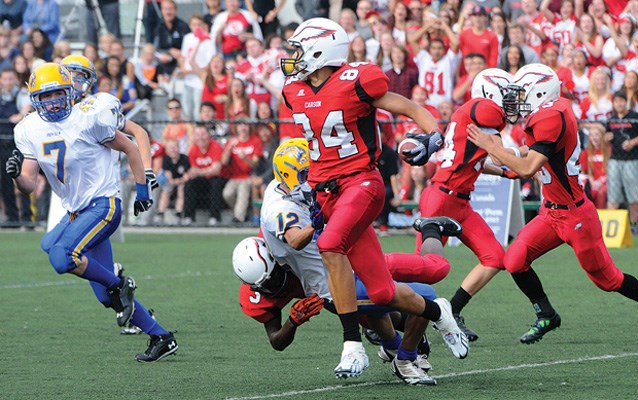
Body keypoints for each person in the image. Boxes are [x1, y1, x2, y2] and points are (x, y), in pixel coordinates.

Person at [280, 18, 464, 379]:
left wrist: (434, 135)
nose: (293, 58)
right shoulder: (294, 90)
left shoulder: (357, 80)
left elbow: (408, 106)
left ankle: (352, 346)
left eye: (299, 50)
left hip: (361, 182)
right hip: (326, 193)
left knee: (330, 244)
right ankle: (440, 312)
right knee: (381, 291)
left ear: (321, 50)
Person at [234, 141, 466, 384]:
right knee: (419, 298)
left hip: (352, 258)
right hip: (336, 283)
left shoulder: (288, 193)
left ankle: (430, 228)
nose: (311, 177)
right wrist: (293, 321)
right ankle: (404, 356)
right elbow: (293, 239)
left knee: (436, 269)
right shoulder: (279, 210)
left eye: (311, 170)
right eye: (305, 173)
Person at [5, 63, 178, 361]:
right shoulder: (28, 128)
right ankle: (161, 336)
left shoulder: (88, 118)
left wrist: (141, 191)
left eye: (57, 93)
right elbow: (29, 184)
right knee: (101, 293)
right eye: (44, 96)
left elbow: (131, 147)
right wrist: (16, 176)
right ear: (35, 99)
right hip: (77, 213)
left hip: (103, 205)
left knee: (61, 257)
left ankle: (120, 283)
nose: (52, 101)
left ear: (69, 91)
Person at [467, 63, 638, 344]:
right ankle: (546, 313)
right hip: (550, 213)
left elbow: (527, 167)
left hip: (576, 217)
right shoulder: (551, 110)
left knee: (609, 281)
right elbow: (531, 153)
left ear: (539, 93)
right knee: (514, 260)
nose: (517, 101)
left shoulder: (552, 117)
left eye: (523, 93)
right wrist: (501, 155)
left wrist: (495, 148)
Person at [416, 68, 517, 343]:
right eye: (506, 95)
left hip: (459, 201)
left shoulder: (473, 113)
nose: (510, 102)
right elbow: (503, 155)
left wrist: (505, 171)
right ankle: (396, 330)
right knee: (422, 272)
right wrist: (519, 161)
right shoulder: (482, 108)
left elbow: (475, 160)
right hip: (441, 198)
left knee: (495, 257)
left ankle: (453, 310)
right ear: (489, 92)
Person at [605, 90, 638, 233]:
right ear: (613, 103)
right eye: (616, 101)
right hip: (615, 160)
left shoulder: (634, 117)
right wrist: (607, 136)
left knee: (634, 196)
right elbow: (606, 136)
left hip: (631, 160)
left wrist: (633, 142)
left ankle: (634, 225)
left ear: (626, 102)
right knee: (612, 196)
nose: (619, 104)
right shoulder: (611, 120)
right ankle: (609, 227)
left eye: (621, 101)